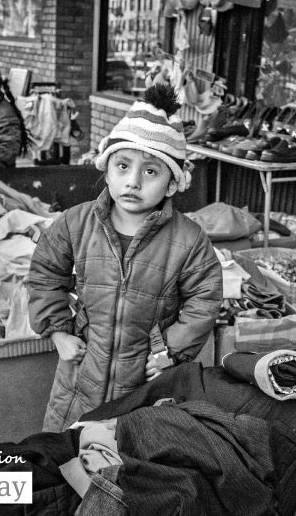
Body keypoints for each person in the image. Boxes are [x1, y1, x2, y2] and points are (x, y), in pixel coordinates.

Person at [27, 85, 223, 432]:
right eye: (122, 165)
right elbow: (45, 273)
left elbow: (204, 299)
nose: (132, 182)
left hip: (145, 382)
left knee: (128, 451)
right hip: (80, 374)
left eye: (150, 172)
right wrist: (58, 332)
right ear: (106, 169)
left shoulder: (189, 239)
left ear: (172, 184)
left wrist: (170, 353)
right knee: (65, 447)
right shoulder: (76, 222)